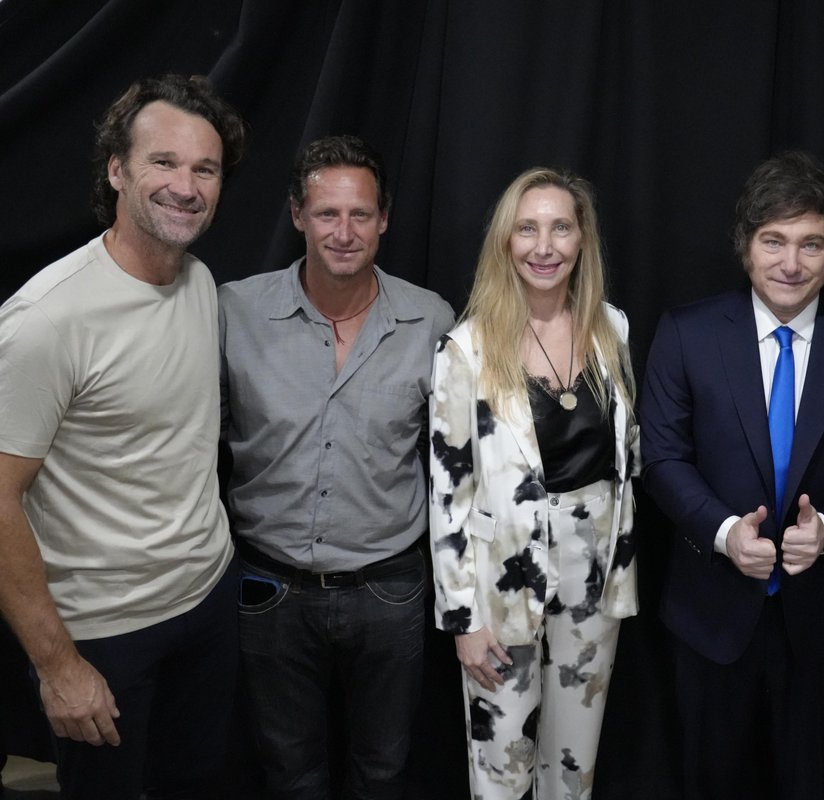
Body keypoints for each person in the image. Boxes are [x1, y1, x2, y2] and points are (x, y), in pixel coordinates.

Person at [0, 74, 246, 799]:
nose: (186, 187)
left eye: (205, 169)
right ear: (116, 169)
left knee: (196, 785)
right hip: (105, 633)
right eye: (163, 162)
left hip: (207, 600)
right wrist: (58, 666)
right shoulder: (48, 319)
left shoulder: (199, 282)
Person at [639, 150, 824, 800]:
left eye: (811, 244)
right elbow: (662, 458)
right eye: (774, 241)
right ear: (745, 245)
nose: (791, 262)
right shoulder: (687, 333)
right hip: (711, 616)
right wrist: (725, 531)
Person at [219, 134, 454, 798]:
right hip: (269, 588)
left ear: (384, 220)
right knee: (289, 774)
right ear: (298, 215)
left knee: (384, 770)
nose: (344, 232)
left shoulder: (430, 319)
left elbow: (460, 463)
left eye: (360, 214)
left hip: (390, 589)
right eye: (327, 213)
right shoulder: (235, 311)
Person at [428, 167, 638, 800]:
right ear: (505, 240)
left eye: (560, 228)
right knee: (502, 767)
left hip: (594, 579)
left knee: (574, 766)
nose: (544, 247)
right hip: (502, 582)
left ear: (582, 239)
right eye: (527, 229)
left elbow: (626, 456)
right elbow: (448, 493)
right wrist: (462, 620)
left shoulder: (613, 329)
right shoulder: (465, 348)